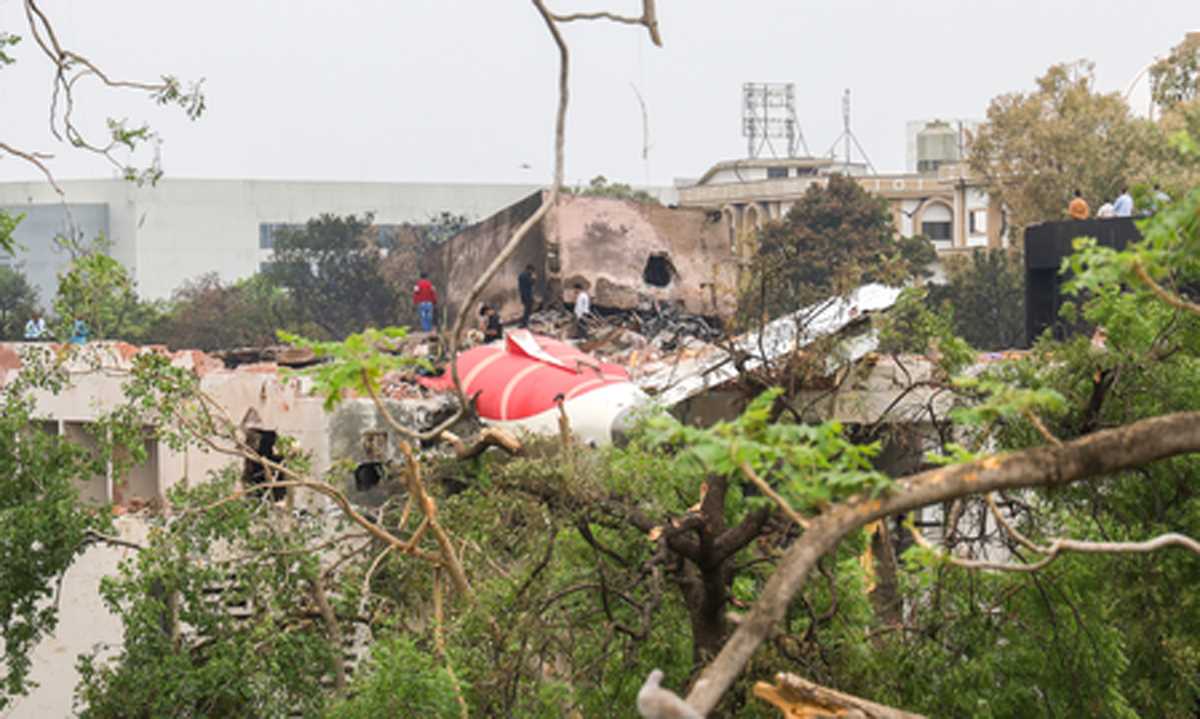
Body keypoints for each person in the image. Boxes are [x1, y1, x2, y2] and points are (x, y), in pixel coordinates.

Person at [517, 264, 536, 328]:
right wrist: (533, 279)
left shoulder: (521, 275)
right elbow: (530, 283)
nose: (532, 272)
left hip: (524, 294)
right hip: (527, 295)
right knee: (527, 310)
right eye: (532, 271)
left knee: (527, 309)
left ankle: (526, 322)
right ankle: (524, 323)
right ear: (529, 269)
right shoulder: (525, 276)